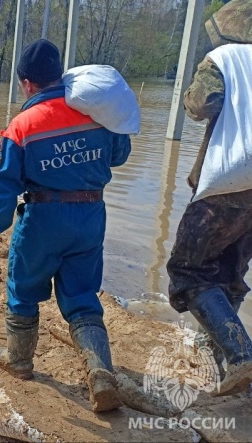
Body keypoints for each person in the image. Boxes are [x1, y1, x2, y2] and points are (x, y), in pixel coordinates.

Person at [0, 39, 131, 412]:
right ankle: (100, 370)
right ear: (60, 74)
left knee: (23, 289)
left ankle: (20, 363)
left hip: (43, 220)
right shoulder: (98, 112)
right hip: (90, 218)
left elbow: (3, 187)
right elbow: (120, 156)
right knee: (82, 298)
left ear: (26, 83)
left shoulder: (21, 126)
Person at [165, 0, 252, 397]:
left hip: (228, 182)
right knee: (231, 272)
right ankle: (230, 370)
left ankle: (238, 355)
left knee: (189, 270)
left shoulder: (221, 58)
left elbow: (201, 105)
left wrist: (189, 93)